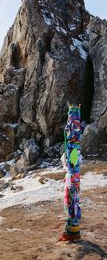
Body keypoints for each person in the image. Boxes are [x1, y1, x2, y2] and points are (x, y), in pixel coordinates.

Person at [59, 103, 85, 241]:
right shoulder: (73, 147)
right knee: (72, 201)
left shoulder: (74, 149)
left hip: (73, 178)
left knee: (72, 201)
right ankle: (72, 227)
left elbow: (73, 160)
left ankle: (73, 228)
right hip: (73, 177)